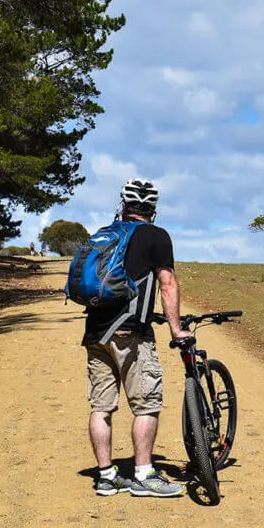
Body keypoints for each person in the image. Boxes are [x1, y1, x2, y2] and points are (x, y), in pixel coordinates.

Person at [82, 178, 193, 497]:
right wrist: (175, 329)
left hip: (95, 334)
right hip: (132, 334)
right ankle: (144, 475)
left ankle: (106, 476)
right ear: (153, 209)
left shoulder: (105, 234)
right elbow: (167, 283)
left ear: (124, 205)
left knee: (101, 406)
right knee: (146, 405)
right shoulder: (157, 237)